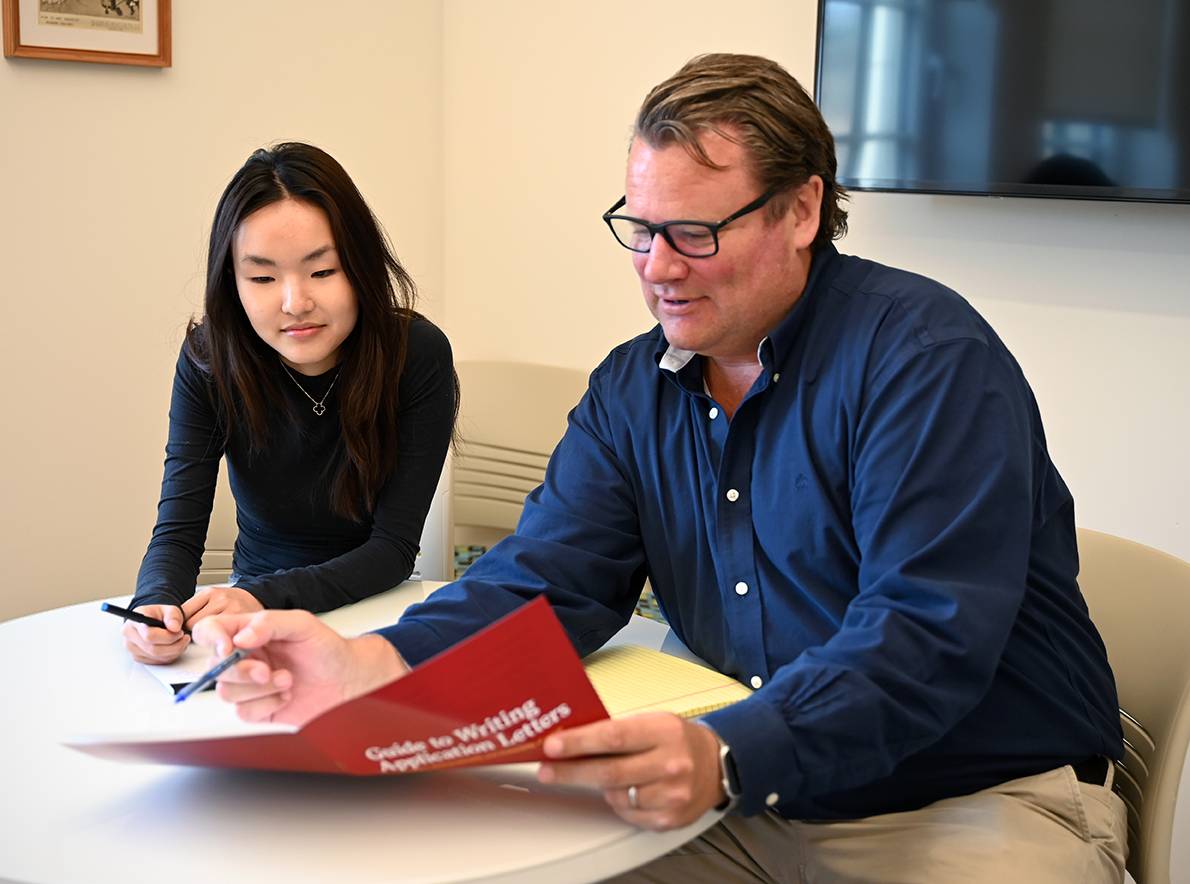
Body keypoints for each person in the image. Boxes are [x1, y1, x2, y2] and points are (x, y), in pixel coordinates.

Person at [193, 57, 1127, 881]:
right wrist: (371, 660)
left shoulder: (924, 358)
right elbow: (548, 583)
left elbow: (924, 636)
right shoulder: (632, 389)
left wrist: (726, 755)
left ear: (802, 210)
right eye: (639, 229)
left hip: (972, 800)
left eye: (693, 232)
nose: (656, 268)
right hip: (752, 801)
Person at [124, 142, 457, 667]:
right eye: (262, 278)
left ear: (362, 269)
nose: (295, 303)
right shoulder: (211, 361)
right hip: (253, 610)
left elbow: (392, 549)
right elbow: (178, 528)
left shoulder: (414, 355)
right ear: (231, 284)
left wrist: (259, 599)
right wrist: (154, 605)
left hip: (376, 604)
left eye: (322, 272)